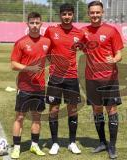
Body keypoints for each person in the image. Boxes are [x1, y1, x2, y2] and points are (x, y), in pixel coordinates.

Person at [81, 1, 124, 159]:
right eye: (92, 13)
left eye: (97, 12)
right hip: (91, 78)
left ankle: (112, 146)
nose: (95, 15)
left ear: (102, 13)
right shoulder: (83, 32)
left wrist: (114, 59)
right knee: (96, 110)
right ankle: (102, 142)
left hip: (109, 78)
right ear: (88, 14)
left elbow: (119, 53)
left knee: (111, 110)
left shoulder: (111, 31)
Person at [44, 3, 84, 155]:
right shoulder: (51, 30)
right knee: (53, 109)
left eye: (69, 14)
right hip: (55, 77)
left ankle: (72, 142)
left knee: (72, 109)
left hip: (72, 77)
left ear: (73, 15)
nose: (66, 17)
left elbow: (87, 48)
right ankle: (54, 143)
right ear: (60, 15)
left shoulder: (79, 33)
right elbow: (46, 50)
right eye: (64, 14)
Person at [10, 12, 51, 159]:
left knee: (36, 117)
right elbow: (13, 65)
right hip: (24, 87)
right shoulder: (21, 42)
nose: (35, 25)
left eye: (37, 23)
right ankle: (16, 147)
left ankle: (34, 145)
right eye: (32, 23)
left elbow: (51, 58)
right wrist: (29, 68)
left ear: (41, 24)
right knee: (20, 117)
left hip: (39, 87)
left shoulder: (47, 41)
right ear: (27, 24)